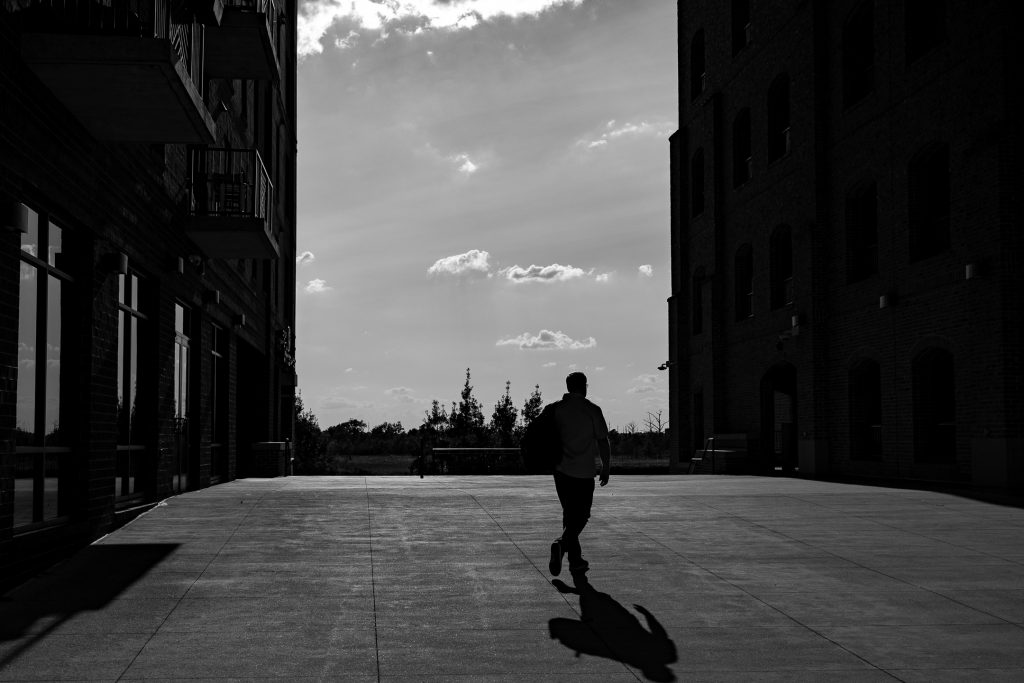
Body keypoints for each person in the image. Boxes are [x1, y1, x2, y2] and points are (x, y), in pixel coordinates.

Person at [549, 371, 610, 578]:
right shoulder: (591, 409)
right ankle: (561, 545)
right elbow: (602, 440)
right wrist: (606, 467)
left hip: (561, 471)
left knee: (569, 515)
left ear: (567, 387)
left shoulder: (556, 409)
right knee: (582, 516)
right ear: (584, 386)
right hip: (584, 472)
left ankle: (575, 561)